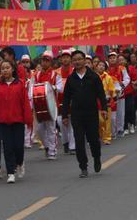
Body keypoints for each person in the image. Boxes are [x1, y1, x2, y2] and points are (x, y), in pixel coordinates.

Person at [61, 50, 107, 178]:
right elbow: (66, 98)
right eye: (74, 60)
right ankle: (83, 167)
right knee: (79, 141)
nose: (77, 61)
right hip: (77, 115)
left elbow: (101, 94)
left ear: (84, 60)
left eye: (79, 59)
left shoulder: (93, 76)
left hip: (91, 113)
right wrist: (64, 115)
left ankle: (97, 158)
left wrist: (104, 108)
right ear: (72, 62)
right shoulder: (71, 79)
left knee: (94, 140)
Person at [0, 53, 33, 183]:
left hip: (18, 121)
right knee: (7, 148)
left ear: (12, 69)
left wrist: (28, 120)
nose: (5, 70)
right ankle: (10, 172)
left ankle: (20, 162)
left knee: (18, 147)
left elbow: (25, 103)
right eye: (3, 69)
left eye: (7, 68)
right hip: (3, 122)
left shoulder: (20, 84)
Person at [32, 51, 63, 160]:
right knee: (39, 129)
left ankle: (52, 151)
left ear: (51, 62)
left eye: (47, 60)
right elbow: (31, 89)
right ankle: (47, 146)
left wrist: (51, 88)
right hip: (39, 106)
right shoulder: (36, 75)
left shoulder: (56, 75)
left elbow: (60, 88)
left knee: (51, 128)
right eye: (43, 60)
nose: (44, 62)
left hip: (51, 105)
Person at [56, 50, 76, 155]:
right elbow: (55, 88)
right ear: (60, 59)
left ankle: (73, 147)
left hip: (72, 102)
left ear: (70, 59)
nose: (65, 59)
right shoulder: (56, 72)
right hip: (60, 102)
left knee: (73, 124)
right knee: (62, 123)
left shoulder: (74, 71)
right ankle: (65, 142)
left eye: (67, 57)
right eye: (63, 57)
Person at [107, 52, 130, 138]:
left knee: (120, 112)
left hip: (120, 94)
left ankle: (120, 129)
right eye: (110, 58)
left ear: (116, 59)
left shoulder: (122, 68)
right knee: (112, 115)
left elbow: (127, 78)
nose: (112, 59)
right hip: (110, 95)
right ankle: (113, 131)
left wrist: (122, 85)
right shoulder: (106, 69)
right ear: (108, 60)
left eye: (114, 57)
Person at [95, 61, 116, 145]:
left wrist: (111, 97)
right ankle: (100, 135)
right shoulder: (93, 77)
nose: (101, 67)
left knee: (107, 121)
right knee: (99, 120)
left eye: (103, 65)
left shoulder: (108, 77)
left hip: (106, 101)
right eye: (99, 65)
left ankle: (107, 137)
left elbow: (112, 90)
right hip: (96, 102)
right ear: (96, 67)